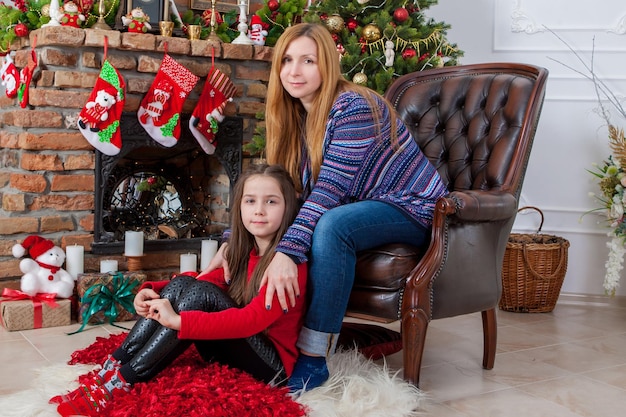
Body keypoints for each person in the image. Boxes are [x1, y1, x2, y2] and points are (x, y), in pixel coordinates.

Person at [206, 22, 448, 393]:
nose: (294, 71)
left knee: (333, 225)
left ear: (327, 68)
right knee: (323, 221)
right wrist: (232, 243)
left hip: (412, 206)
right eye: (287, 60)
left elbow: (327, 193)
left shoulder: (353, 107)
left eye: (308, 61)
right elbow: (279, 196)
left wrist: (286, 251)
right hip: (363, 203)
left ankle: (313, 357)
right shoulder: (295, 117)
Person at [51, 164, 307, 417]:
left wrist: (179, 321)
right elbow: (200, 280)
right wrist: (153, 291)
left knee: (202, 293)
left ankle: (123, 381)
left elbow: (250, 322)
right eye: (250, 201)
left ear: (287, 209)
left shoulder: (289, 267)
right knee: (187, 283)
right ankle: (115, 364)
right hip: (235, 350)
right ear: (239, 207)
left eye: (271, 202)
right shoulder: (239, 251)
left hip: (271, 367)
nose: (259, 211)